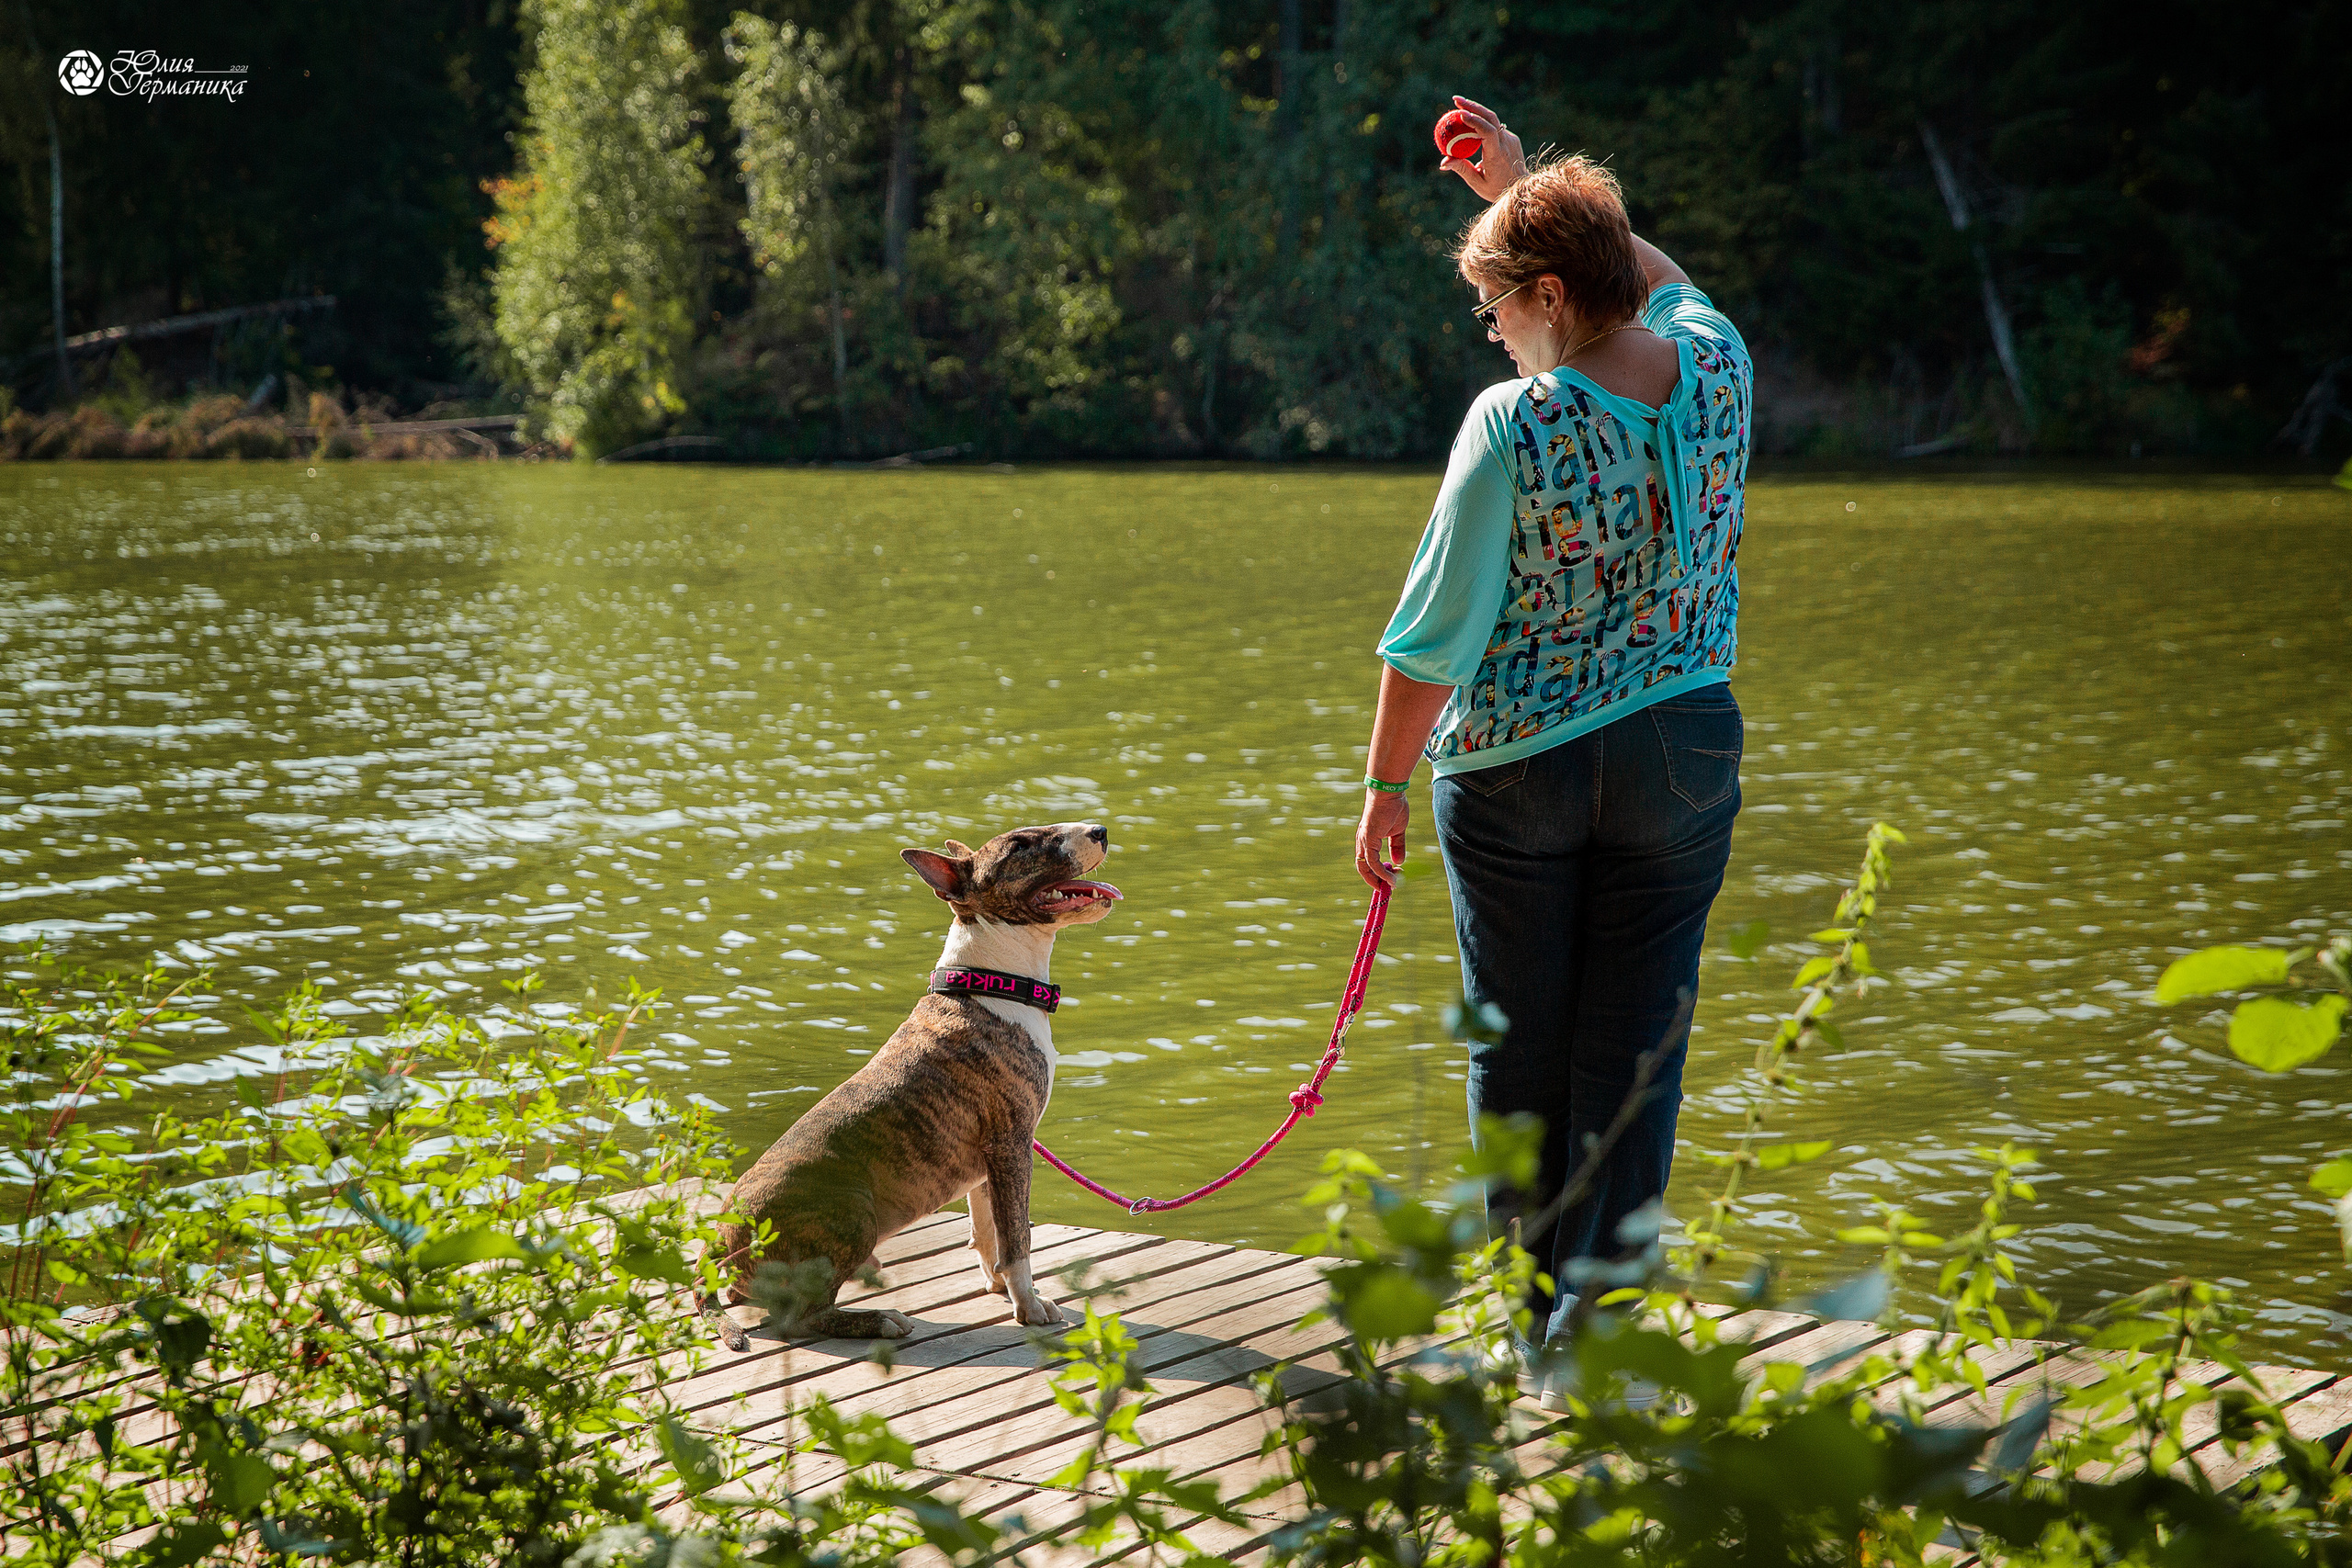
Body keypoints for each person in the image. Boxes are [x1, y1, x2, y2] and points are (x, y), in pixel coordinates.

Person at [1351, 97, 1751, 1377]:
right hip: (1681, 750)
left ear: (1545, 295)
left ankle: (1522, 1331)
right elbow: (1658, 277)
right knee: (1637, 1047)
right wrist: (1524, 190)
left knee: (1520, 1046)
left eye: (1497, 303)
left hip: (1520, 768)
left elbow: (1430, 641)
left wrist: (1382, 789)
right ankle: (1600, 1330)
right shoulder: (1720, 362)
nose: (1495, 331)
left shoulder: (1512, 425)